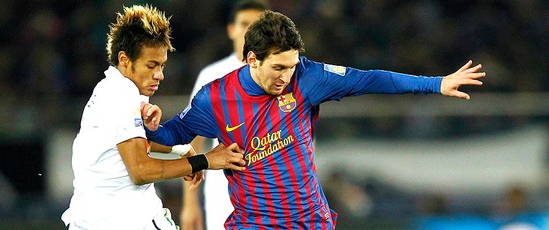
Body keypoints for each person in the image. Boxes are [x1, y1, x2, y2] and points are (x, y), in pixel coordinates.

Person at [143, 10, 485, 229]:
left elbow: (370, 79)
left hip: (310, 220)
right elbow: (171, 135)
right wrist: (149, 123)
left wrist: (436, 83)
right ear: (251, 59)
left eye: (291, 66)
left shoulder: (308, 77)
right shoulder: (215, 97)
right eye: (278, 67)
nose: (286, 77)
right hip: (255, 223)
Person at [61, 5, 246, 229]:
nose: (159, 74)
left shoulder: (116, 89)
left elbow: (129, 147)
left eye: (161, 65)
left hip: (93, 220)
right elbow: (140, 171)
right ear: (124, 59)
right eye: (151, 65)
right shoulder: (120, 97)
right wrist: (205, 161)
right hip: (123, 221)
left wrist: (180, 149)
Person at [180, 1, 270, 230]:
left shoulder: (284, 73)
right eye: (244, 23)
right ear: (231, 29)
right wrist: (190, 205)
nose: (250, 31)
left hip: (275, 195)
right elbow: (193, 142)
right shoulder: (212, 76)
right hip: (225, 196)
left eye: (258, 24)